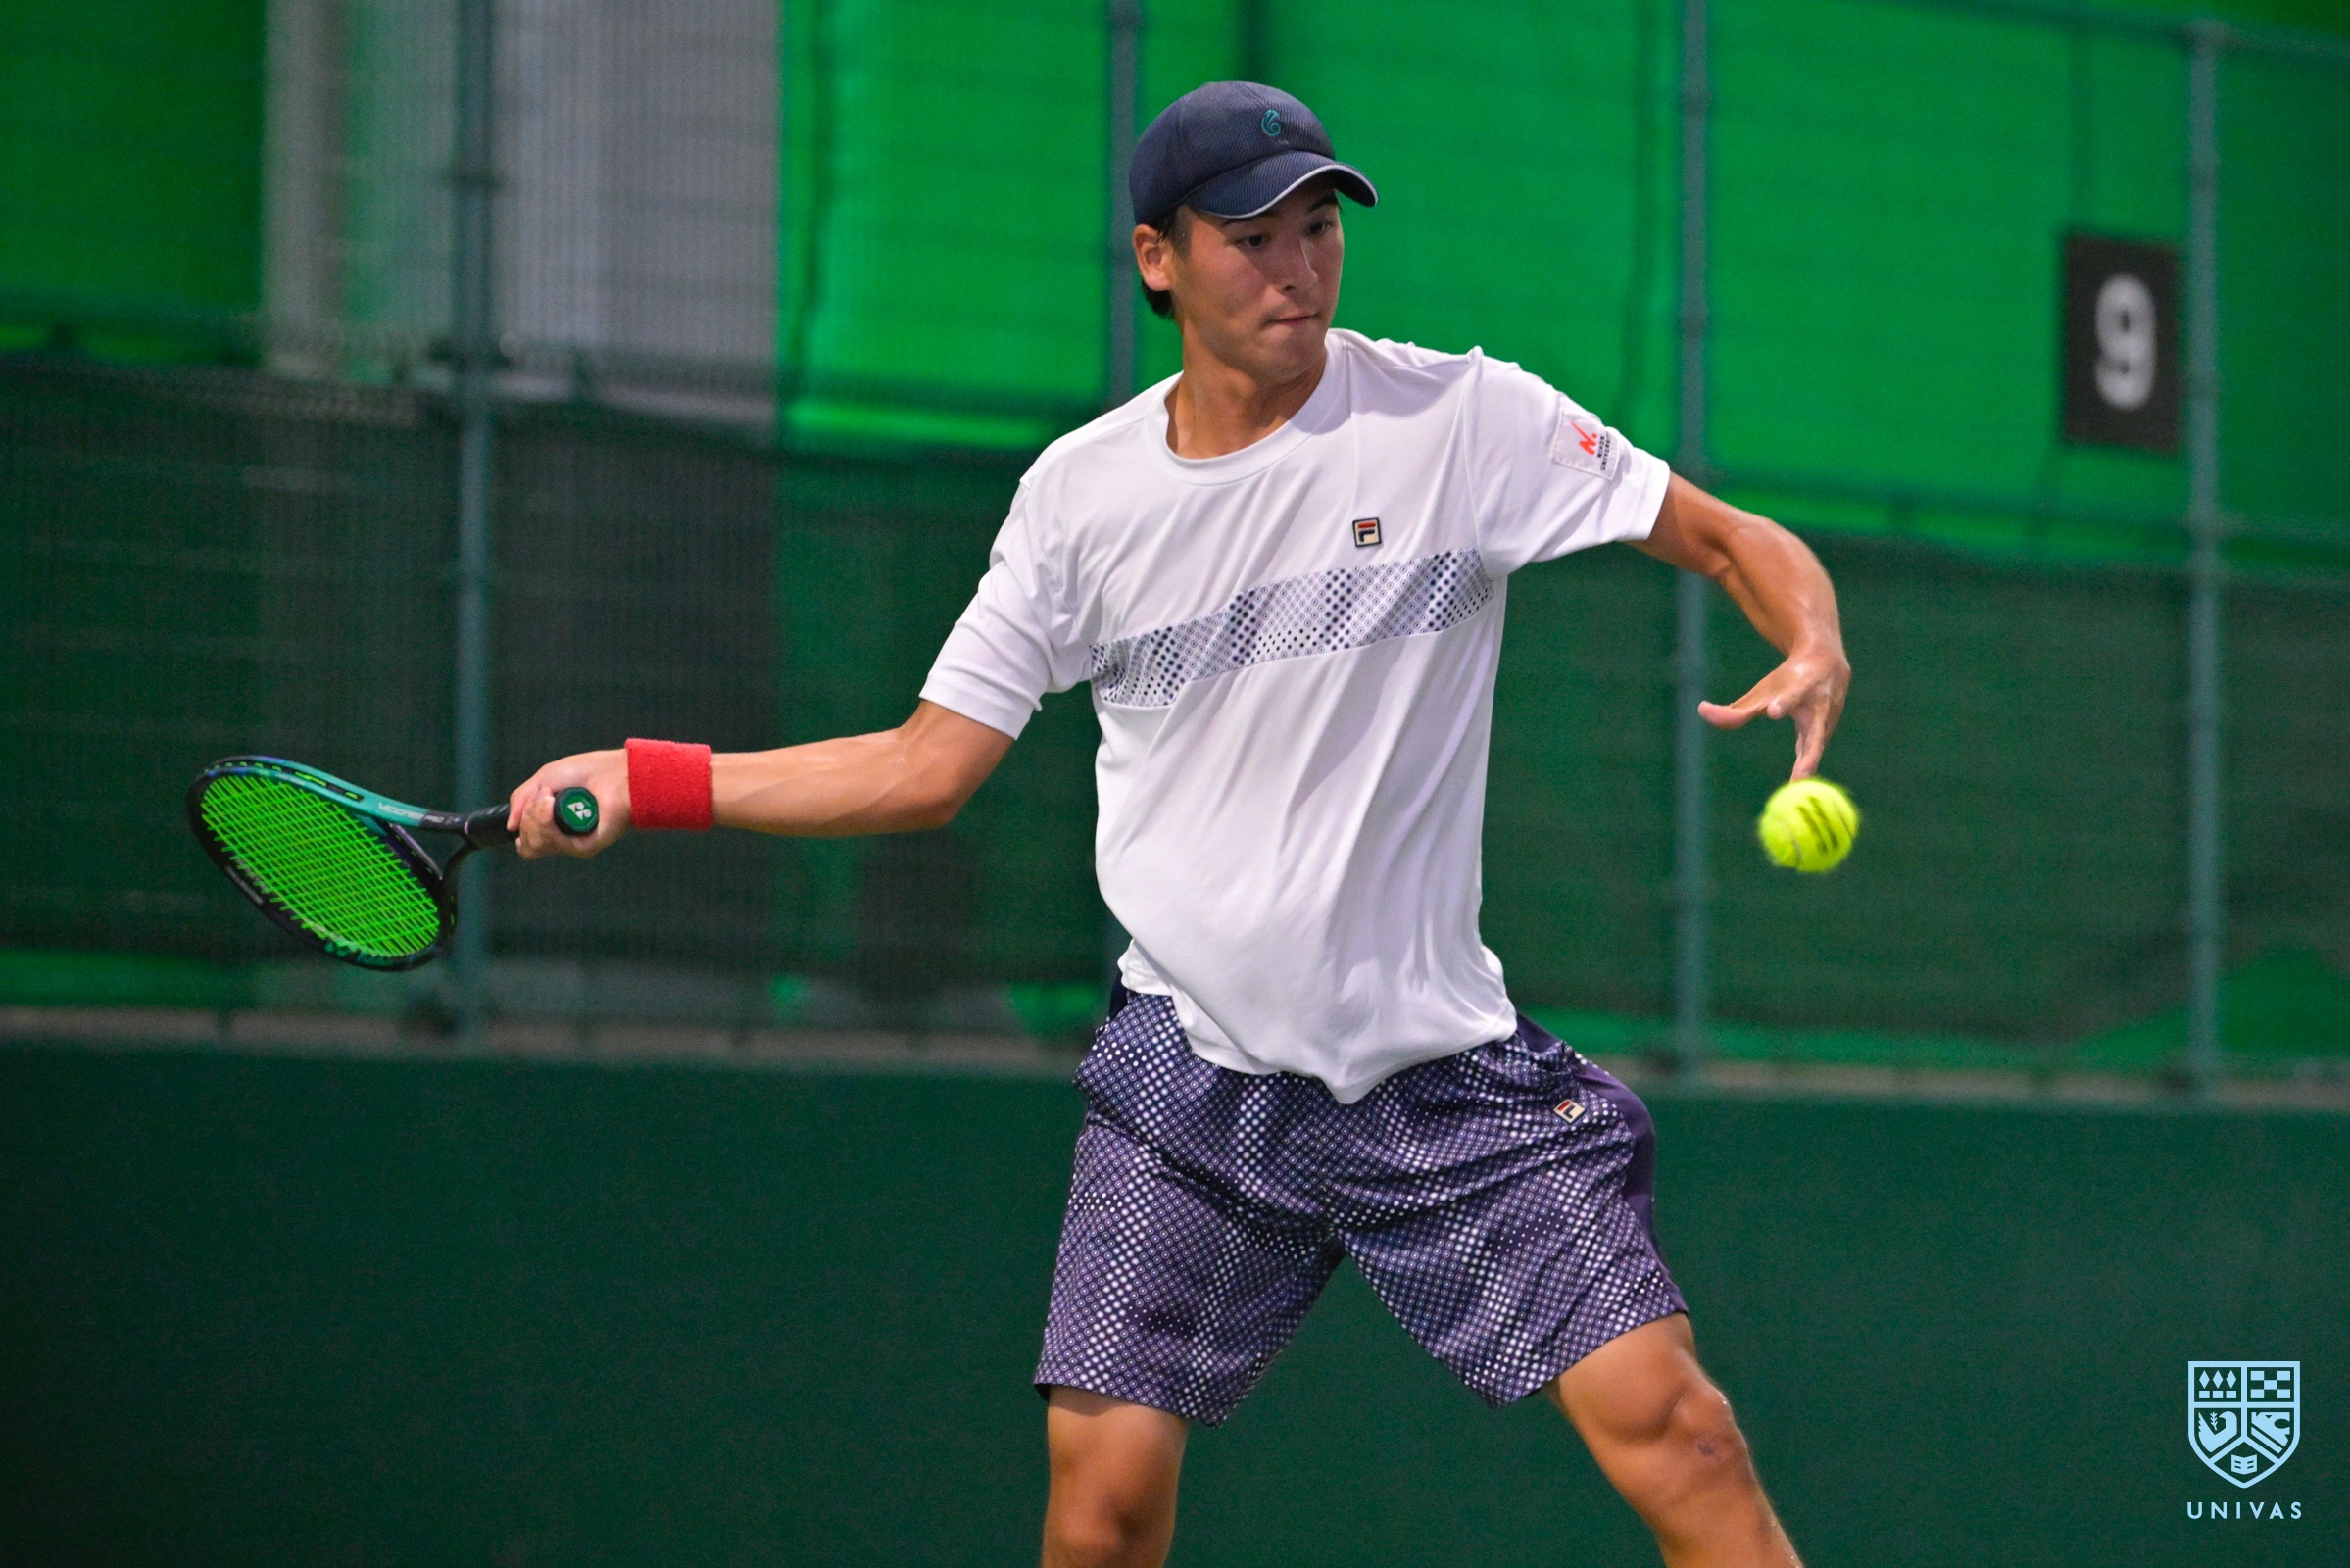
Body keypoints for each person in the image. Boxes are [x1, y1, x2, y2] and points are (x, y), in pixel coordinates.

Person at [508, 80, 1840, 1568]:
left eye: (1318, 229)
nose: (1298, 270)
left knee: (1683, 1434)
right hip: (1190, 1076)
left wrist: (1811, 630)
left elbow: (1726, 537)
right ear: (1159, 258)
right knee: (1100, 1514)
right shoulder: (1078, 502)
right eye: (1252, 238)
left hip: (1437, 1069)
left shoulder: (1460, 421)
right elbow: (921, 767)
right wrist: (649, 779)